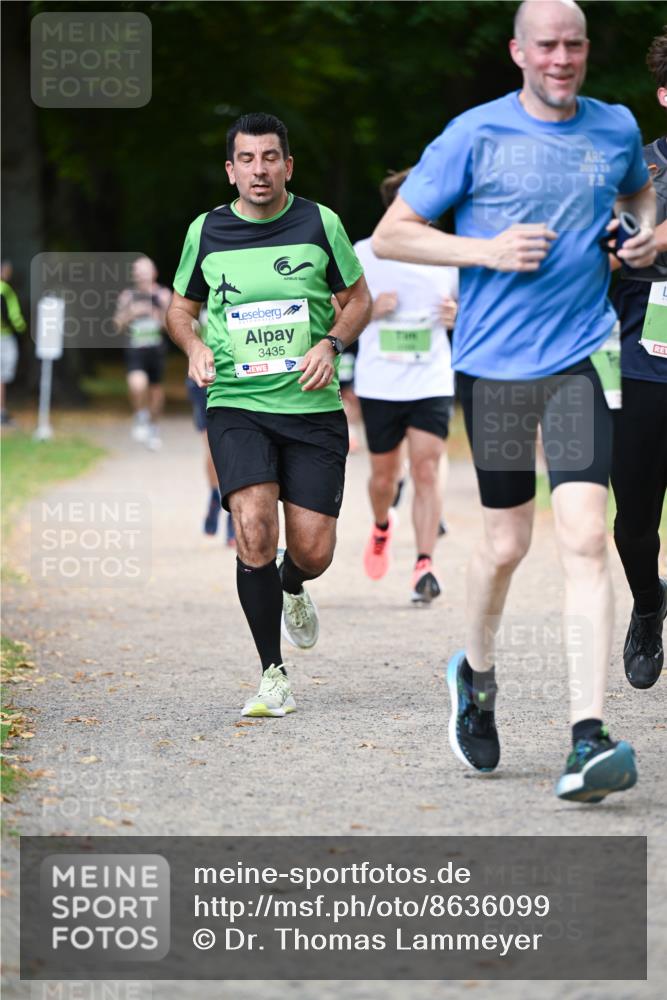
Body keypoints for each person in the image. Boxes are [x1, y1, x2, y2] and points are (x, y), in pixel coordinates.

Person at [373, 0, 656, 802]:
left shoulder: (614, 128)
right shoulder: (474, 134)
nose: (560, 58)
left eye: (573, 45)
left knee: (584, 539)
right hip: (494, 369)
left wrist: (630, 236)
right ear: (517, 52)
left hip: (576, 358)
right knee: (503, 545)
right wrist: (483, 250)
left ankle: (586, 735)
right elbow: (394, 234)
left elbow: (635, 200)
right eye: (545, 46)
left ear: (586, 51)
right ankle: (475, 674)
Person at [166, 112, 371, 717]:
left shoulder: (319, 222)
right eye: (247, 160)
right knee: (253, 528)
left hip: (311, 408)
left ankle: (294, 583)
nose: (260, 170)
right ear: (231, 171)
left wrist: (330, 344)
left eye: (271, 158)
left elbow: (358, 300)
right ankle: (271, 673)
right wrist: (194, 345)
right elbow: (181, 309)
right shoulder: (205, 231)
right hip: (237, 402)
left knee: (313, 550)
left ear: (288, 165)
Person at [354, 169, 458, 604]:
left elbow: (476, 314)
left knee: (427, 469)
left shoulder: (450, 254)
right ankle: (382, 525)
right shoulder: (364, 253)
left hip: (431, 377)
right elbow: (336, 317)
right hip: (380, 381)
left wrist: (459, 318)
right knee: (383, 477)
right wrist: (372, 310)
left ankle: (424, 565)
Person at [609, 28, 667, 690]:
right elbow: (620, 255)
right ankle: (648, 604)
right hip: (643, 366)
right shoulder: (636, 173)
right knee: (631, 525)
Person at [185, 306, 236, 544]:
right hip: (206, 379)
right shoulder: (197, 297)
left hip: (242, 378)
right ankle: (216, 496)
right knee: (214, 449)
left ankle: (235, 514)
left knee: (237, 448)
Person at [114, 256, 171, 451]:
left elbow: (171, 326)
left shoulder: (163, 295)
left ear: (154, 273)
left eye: (144, 272)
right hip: (135, 348)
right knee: (137, 385)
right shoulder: (128, 296)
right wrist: (132, 313)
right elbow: (117, 325)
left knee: (155, 391)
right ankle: (141, 415)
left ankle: (154, 427)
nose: (141, 276)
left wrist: (158, 313)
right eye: (137, 272)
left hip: (156, 350)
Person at [0, 261, 27, 426]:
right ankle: (1, 411)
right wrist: (23, 332)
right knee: (2, 375)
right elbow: (14, 316)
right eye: (7, 270)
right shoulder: (5, 290)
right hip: (4, 338)